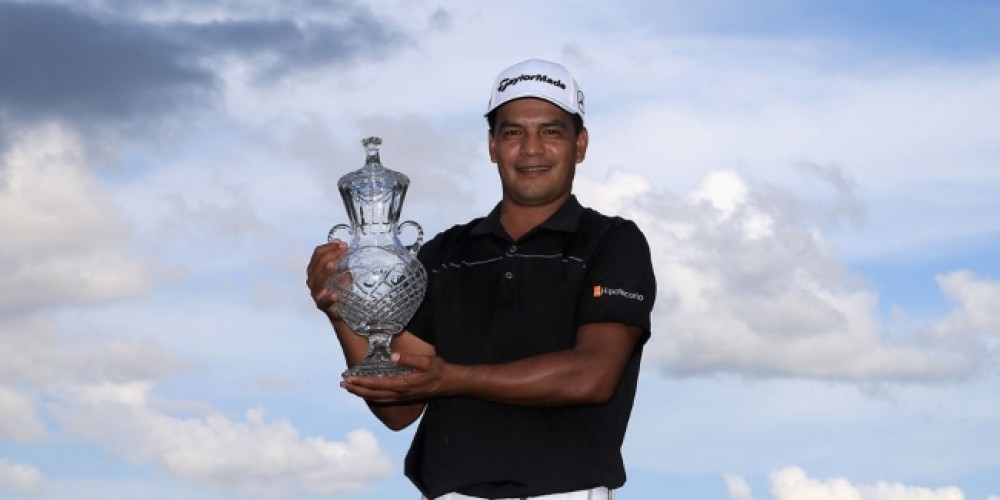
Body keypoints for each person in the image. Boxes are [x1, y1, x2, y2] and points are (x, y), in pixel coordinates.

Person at [307, 59, 656, 500]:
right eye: (513, 133)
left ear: (580, 144)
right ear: (492, 146)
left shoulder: (612, 241)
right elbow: (399, 409)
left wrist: (451, 379)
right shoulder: (443, 254)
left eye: (551, 131)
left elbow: (593, 374)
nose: (531, 149)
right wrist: (340, 307)